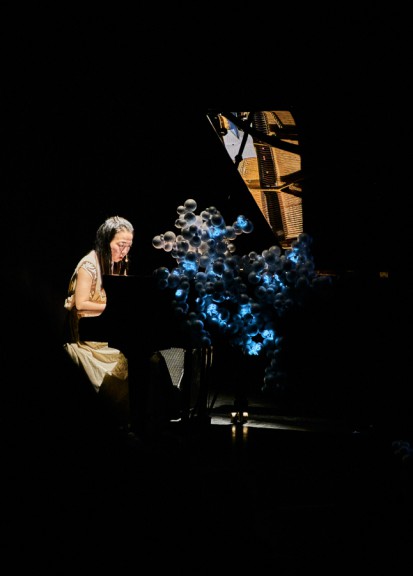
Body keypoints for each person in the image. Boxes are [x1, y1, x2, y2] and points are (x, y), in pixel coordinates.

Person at [63, 215, 134, 430]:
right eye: (120, 245)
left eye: (128, 246)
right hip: (87, 342)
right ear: (106, 242)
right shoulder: (88, 266)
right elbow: (82, 304)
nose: (124, 251)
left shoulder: (115, 264)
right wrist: (114, 308)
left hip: (104, 336)